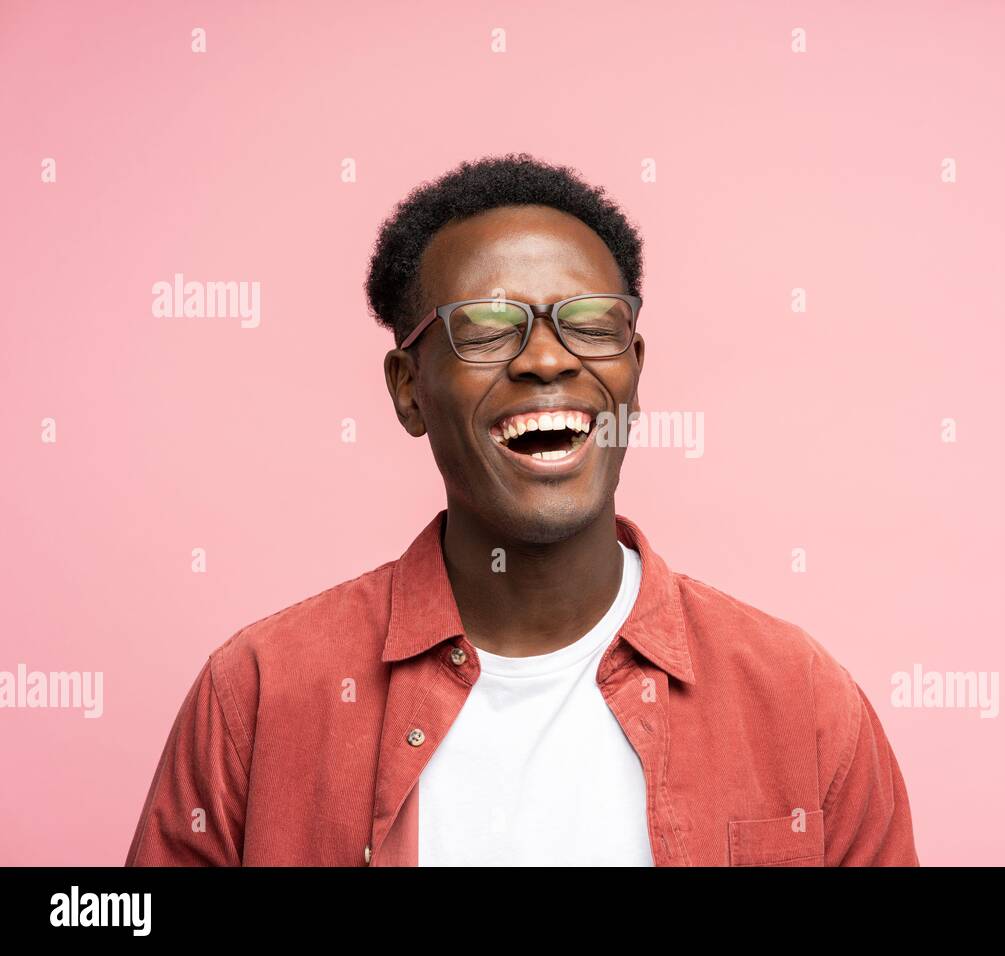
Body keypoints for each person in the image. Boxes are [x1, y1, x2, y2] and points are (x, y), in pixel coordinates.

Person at [125, 153, 919, 866]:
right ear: (408, 390)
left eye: (591, 323)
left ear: (634, 373)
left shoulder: (799, 699)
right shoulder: (261, 695)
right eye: (489, 328)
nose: (547, 358)